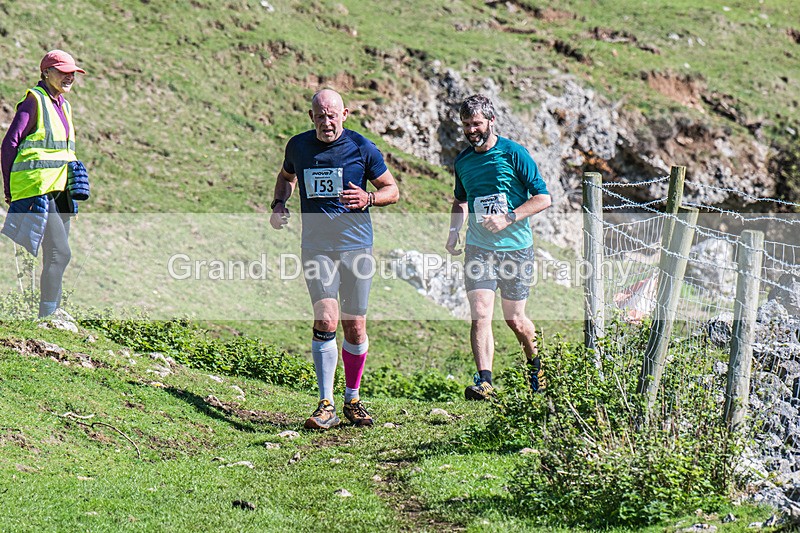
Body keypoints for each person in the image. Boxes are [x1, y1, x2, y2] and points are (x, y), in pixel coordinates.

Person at [270, 89, 399, 429]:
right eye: (320, 115)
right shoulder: (298, 146)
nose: (326, 122)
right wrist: (279, 204)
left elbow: (392, 190)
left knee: (355, 328)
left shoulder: (361, 147)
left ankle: (352, 398)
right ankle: (325, 403)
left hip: (357, 246)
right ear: (311, 117)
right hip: (317, 247)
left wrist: (369, 197)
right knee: (327, 319)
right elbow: (286, 179)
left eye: (332, 115)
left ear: (345, 114)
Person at [445, 94, 551, 401]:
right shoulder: (463, 161)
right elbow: (461, 199)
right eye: (466, 125)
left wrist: (508, 218)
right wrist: (454, 231)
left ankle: (538, 370)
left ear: (491, 121)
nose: (471, 130)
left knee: (515, 320)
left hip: (516, 248)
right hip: (479, 247)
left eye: (476, 123)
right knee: (480, 315)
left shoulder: (514, 153)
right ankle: (485, 382)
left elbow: (543, 198)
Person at [1, 50, 86, 318]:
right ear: (46, 72)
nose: (69, 76)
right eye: (63, 71)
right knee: (61, 253)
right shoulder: (33, 101)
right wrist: (10, 190)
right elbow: (9, 145)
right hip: (38, 186)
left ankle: (53, 316)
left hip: (61, 189)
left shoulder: (65, 105)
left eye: (72, 72)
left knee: (55, 255)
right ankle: (48, 317)